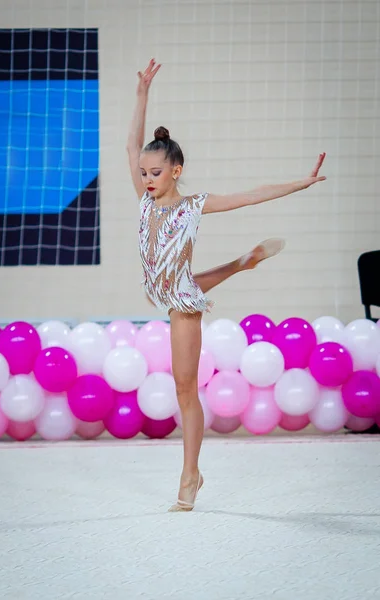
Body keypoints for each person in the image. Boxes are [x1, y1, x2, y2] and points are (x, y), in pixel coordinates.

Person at [127, 59, 326, 512]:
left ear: (176, 171)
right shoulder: (144, 202)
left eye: (155, 174)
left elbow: (252, 194)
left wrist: (302, 182)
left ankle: (190, 473)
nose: (146, 180)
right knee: (182, 281)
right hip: (167, 285)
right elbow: (130, 144)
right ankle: (240, 263)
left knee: (183, 388)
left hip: (181, 303)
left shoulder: (194, 206)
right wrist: (142, 95)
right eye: (143, 173)